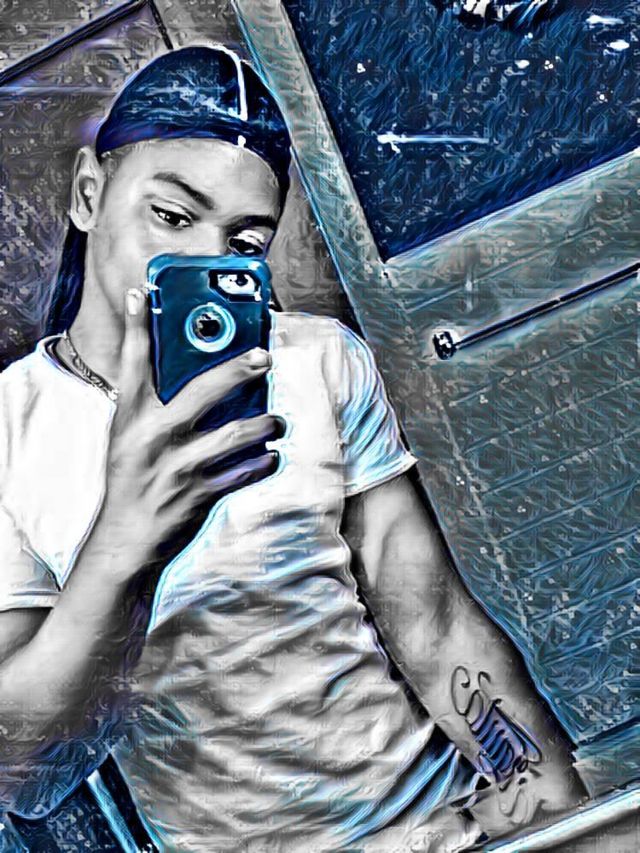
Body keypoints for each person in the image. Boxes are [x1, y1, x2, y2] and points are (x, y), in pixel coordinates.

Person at [0, 45, 585, 851]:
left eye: (244, 241)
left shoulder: (317, 360)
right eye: (171, 216)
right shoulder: (11, 429)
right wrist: (125, 545)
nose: (204, 260)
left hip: (444, 827)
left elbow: (435, 622)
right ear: (89, 194)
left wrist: (556, 806)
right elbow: (26, 774)